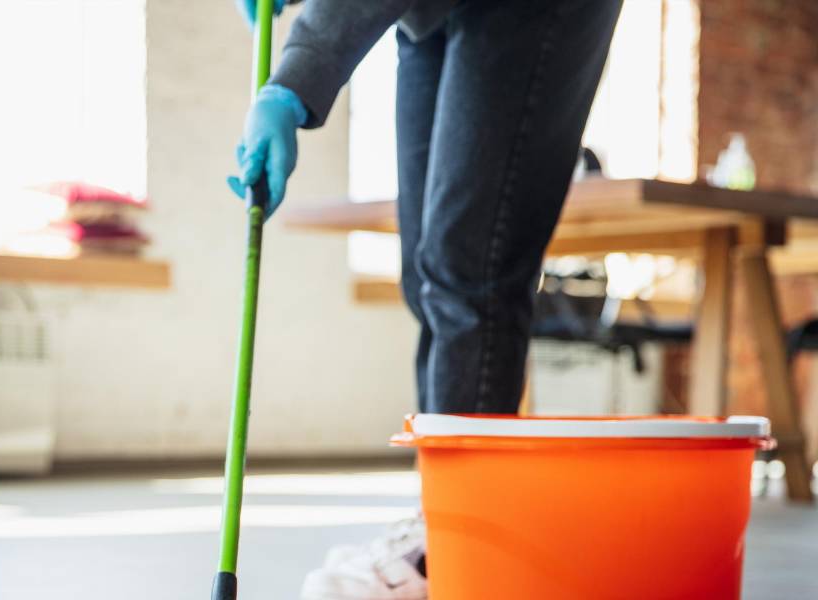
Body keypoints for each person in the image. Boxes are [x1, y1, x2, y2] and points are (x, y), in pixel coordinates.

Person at [228, 1, 623, 598]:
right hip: (431, 15)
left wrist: (293, 82)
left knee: (470, 268)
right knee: (425, 271)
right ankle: (441, 515)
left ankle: (462, 545)